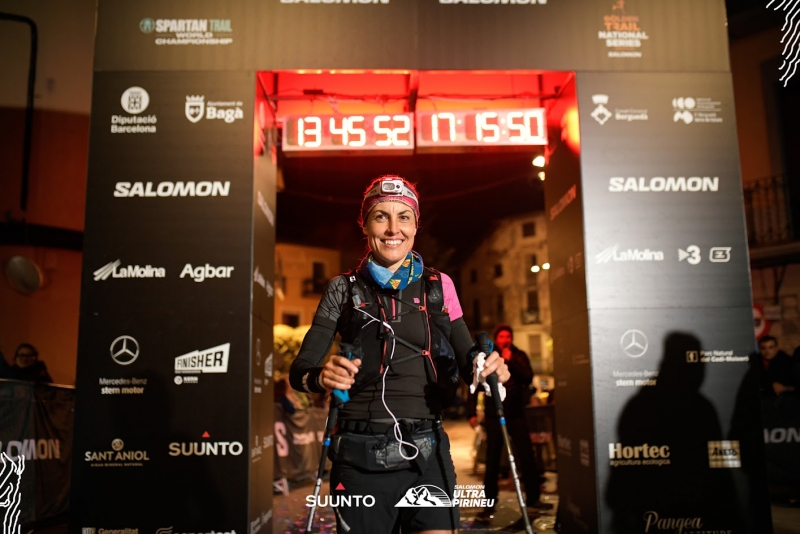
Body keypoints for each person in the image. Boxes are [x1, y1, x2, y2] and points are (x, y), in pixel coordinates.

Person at [289, 175, 510, 533]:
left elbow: (469, 355)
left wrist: (488, 367)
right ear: (364, 225)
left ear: (416, 224)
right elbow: (300, 371)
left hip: (428, 453)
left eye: (403, 217)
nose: (394, 228)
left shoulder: (440, 286)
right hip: (360, 457)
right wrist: (321, 377)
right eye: (381, 216)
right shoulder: (342, 289)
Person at [468, 324, 550, 524]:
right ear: (497, 338)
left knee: (526, 456)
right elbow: (477, 383)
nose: (505, 339)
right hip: (494, 415)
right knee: (492, 460)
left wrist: (511, 360)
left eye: (508, 336)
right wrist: (472, 413)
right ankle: (489, 503)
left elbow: (528, 377)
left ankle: (533, 498)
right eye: (502, 336)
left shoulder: (519, 355)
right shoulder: (489, 355)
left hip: (516, 414)